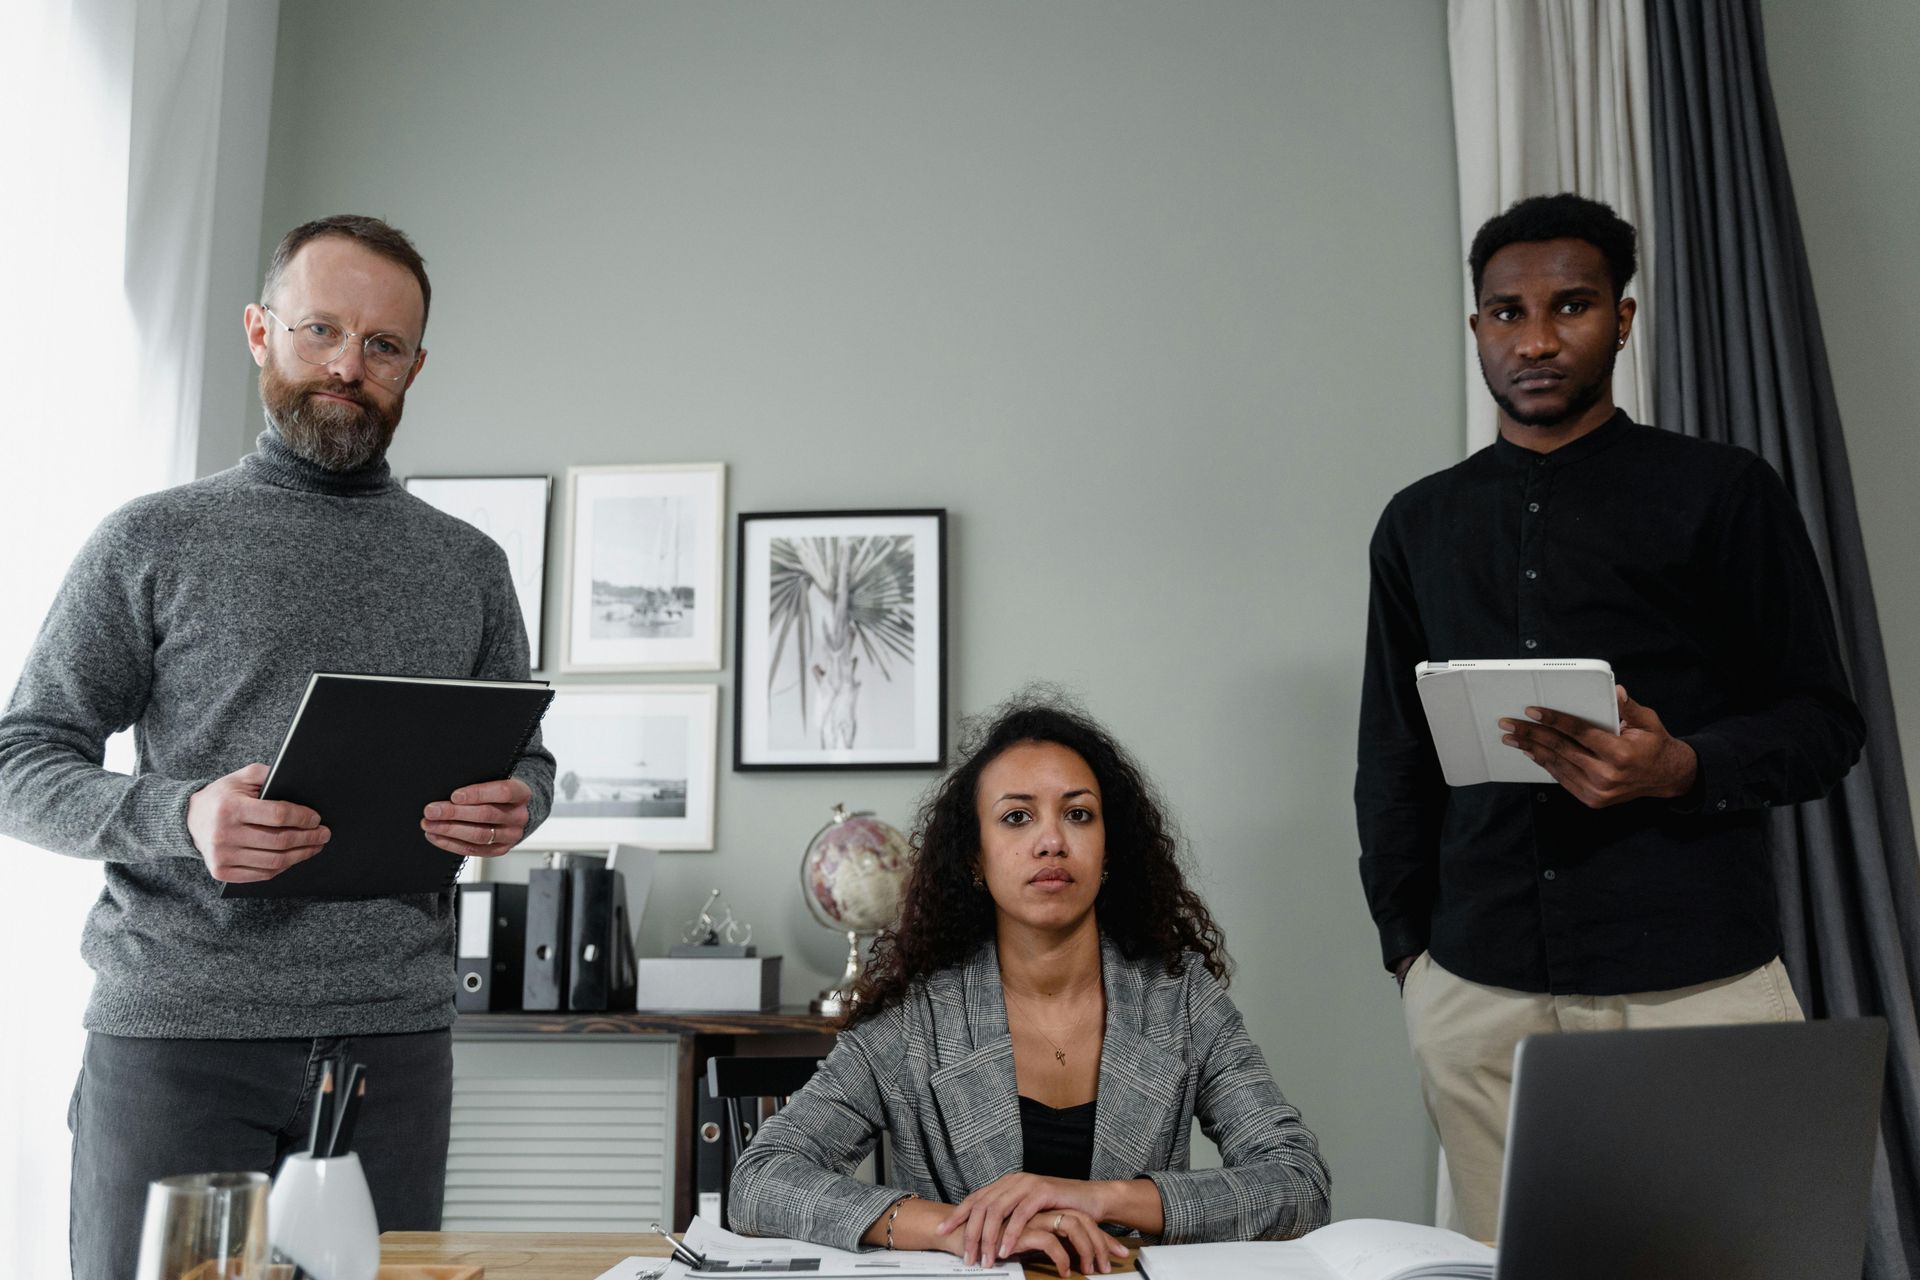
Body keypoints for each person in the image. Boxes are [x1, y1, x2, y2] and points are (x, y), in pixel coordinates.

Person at [0, 215, 555, 1280]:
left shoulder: (468, 564)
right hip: (175, 1040)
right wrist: (183, 813)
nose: (349, 365)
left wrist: (519, 801)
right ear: (260, 332)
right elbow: (24, 755)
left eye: (384, 346)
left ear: (416, 367)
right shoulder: (150, 538)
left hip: (392, 1043)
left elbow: (526, 759)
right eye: (320, 330)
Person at [1355, 192, 1864, 1239]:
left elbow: (1824, 719)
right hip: (1478, 984)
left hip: (1695, 976)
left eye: (1572, 305)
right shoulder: (1419, 522)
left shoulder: (1726, 493)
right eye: (1507, 312)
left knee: (1734, 1265)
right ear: (1476, 327)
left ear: (1623, 319)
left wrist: (1680, 766)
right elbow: (1392, 752)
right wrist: (1412, 950)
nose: (1536, 339)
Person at [729, 695, 1330, 1273]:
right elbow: (761, 1178)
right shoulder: (916, 1016)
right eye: (1017, 817)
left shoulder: (1179, 997)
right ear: (975, 857)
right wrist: (949, 1227)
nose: (1051, 841)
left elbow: (1297, 1180)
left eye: (1078, 814)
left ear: (1108, 848)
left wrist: (1104, 1198)